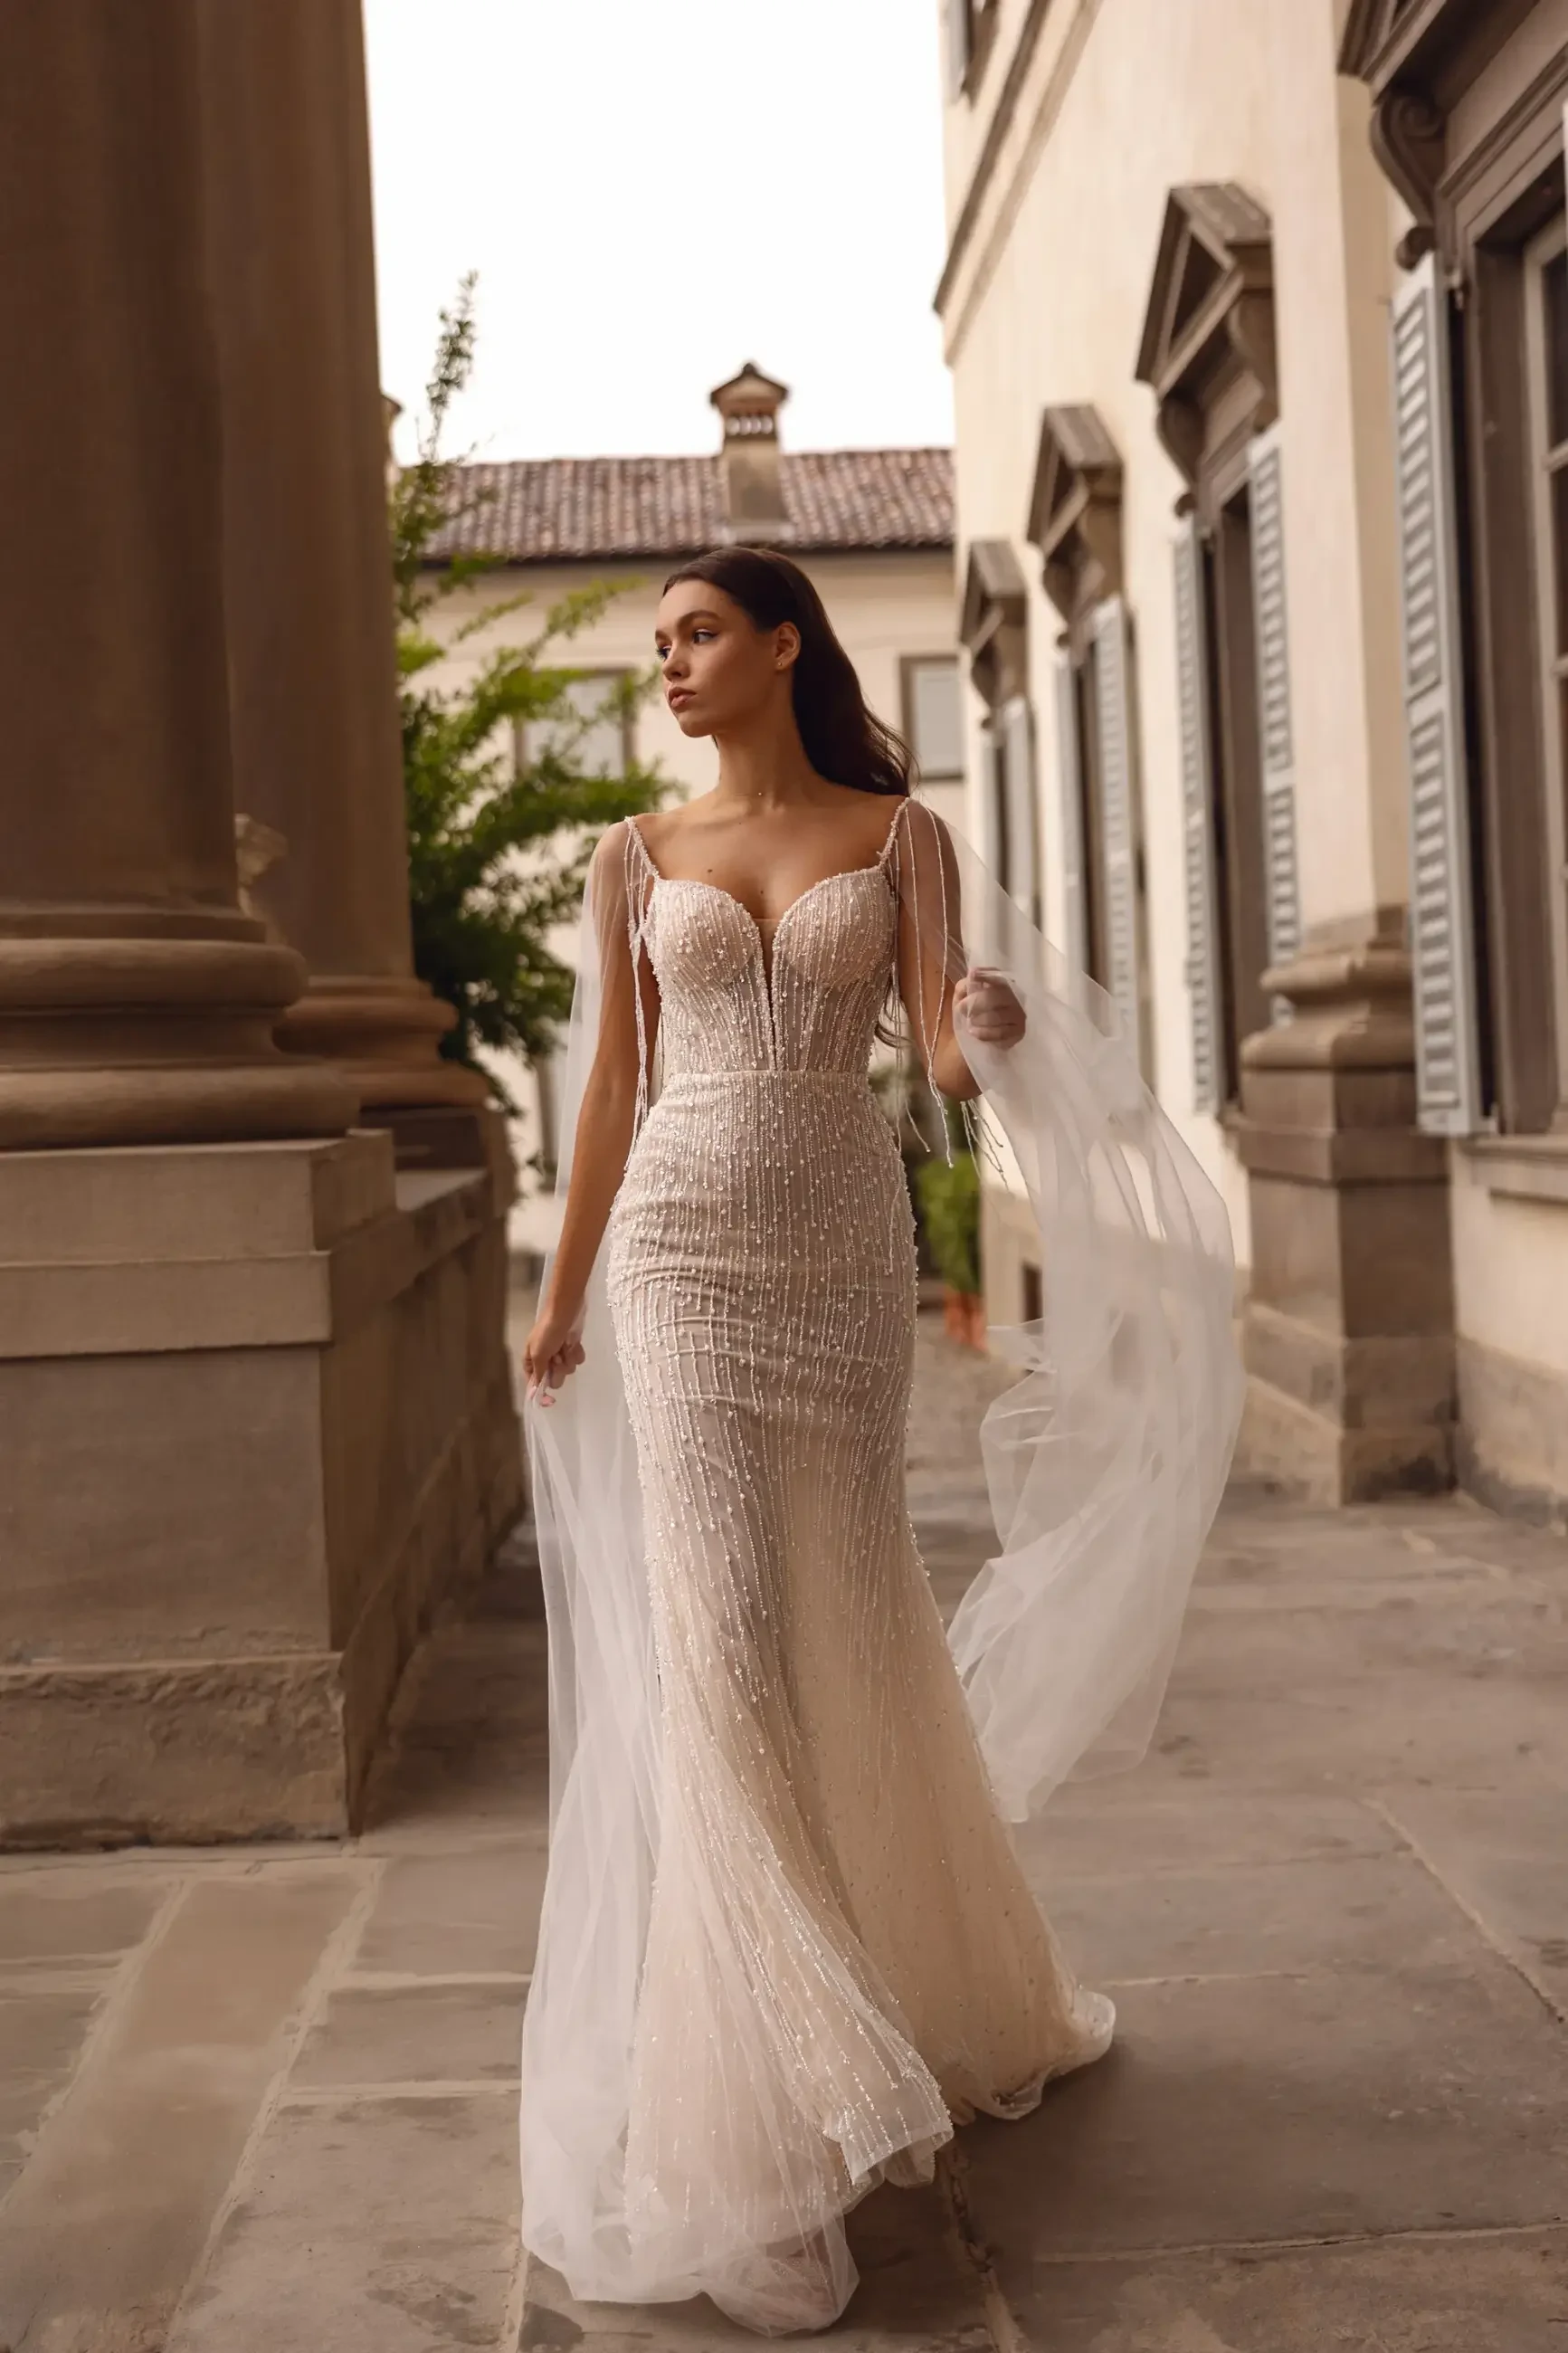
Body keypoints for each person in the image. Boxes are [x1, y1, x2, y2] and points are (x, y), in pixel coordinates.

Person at [519, 547, 1241, 2335]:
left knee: (849, 1625)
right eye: (661, 642)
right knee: (725, 1642)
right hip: (678, 1254)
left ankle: (931, 1988)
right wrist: (561, 1293)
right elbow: (612, 1080)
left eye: (698, 633)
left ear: (781, 645)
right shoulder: (636, 855)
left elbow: (927, 1050)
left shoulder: (895, 835)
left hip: (838, 1252)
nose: (670, 663)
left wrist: (981, 1036)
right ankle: (796, 2083)